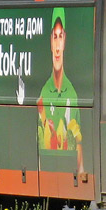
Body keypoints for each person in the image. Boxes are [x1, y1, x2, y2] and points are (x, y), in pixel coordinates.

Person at [37, 9, 84, 173]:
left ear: (65, 41)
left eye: (61, 37)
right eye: (55, 37)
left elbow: (79, 149)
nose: (57, 47)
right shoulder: (43, 94)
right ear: (50, 42)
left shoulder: (72, 94)